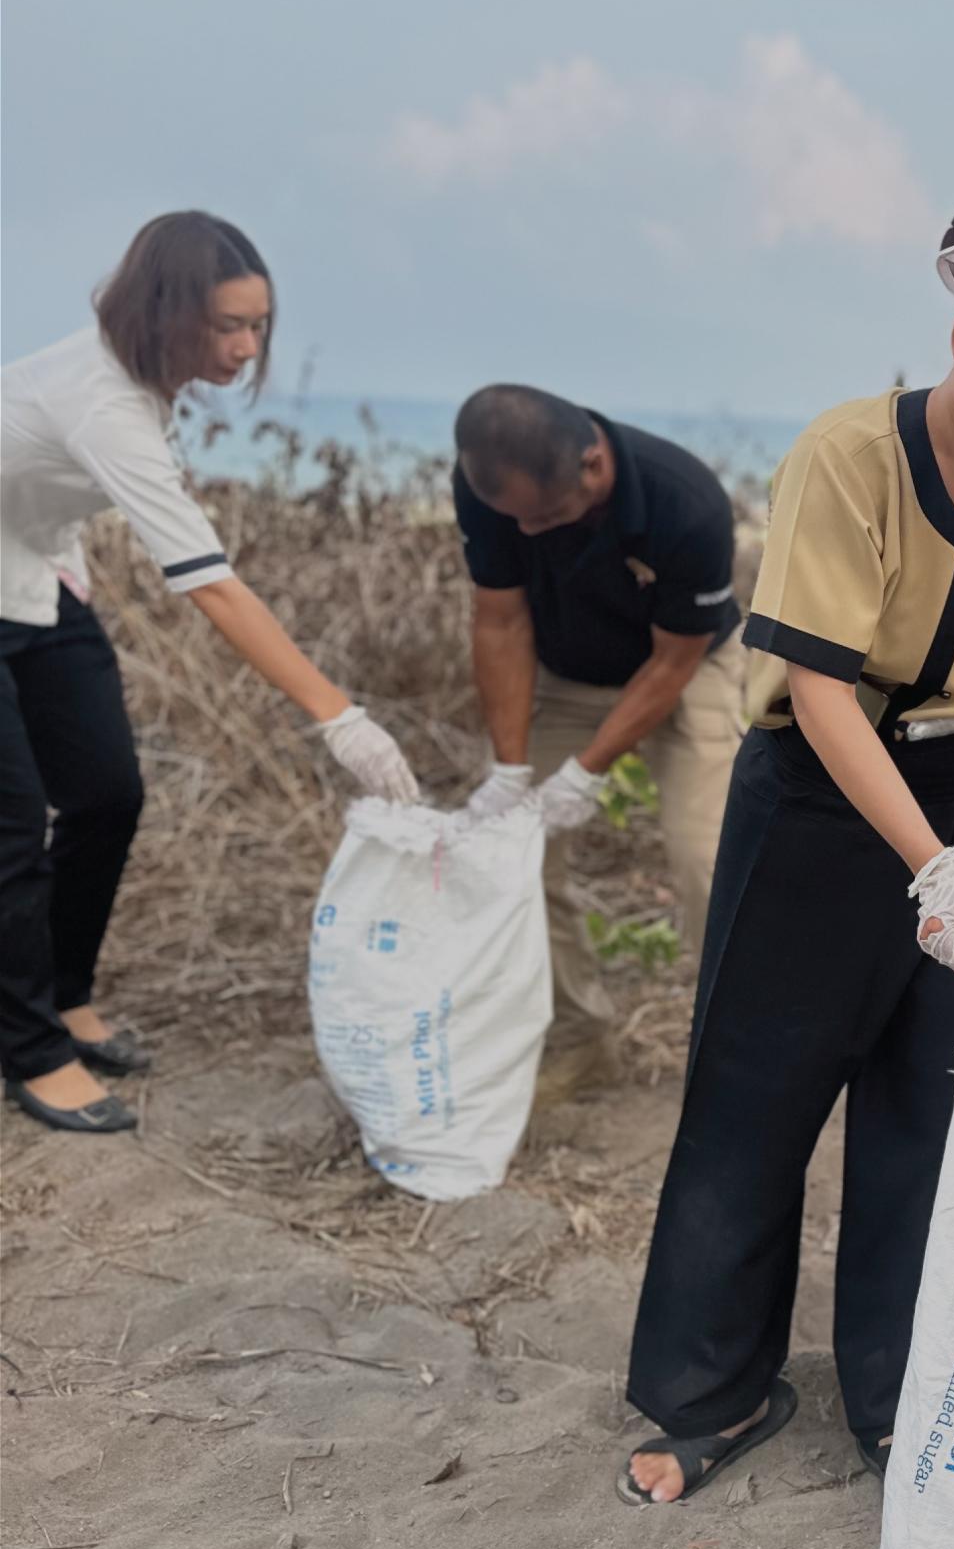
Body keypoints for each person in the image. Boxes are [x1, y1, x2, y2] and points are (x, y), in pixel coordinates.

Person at [618, 194, 954, 1506]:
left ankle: (901, 1400)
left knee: (928, 1111)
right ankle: (709, 1395)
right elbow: (825, 691)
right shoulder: (848, 456)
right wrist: (926, 864)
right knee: (756, 1095)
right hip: (816, 799)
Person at [1, 212, 420, 1135]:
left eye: (257, 325)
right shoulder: (104, 401)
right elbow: (213, 589)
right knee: (13, 827)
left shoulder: (143, 383)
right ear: (163, 313)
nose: (243, 347)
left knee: (108, 793)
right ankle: (28, 1050)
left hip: (31, 574)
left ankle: (65, 993)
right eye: (223, 327)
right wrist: (337, 716)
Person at [451, 385, 748, 1098]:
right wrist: (510, 768)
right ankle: (580, 1038)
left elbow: (674, 661)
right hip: (567, 671)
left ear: (592, 465)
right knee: (515, 854)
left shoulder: (686, 503)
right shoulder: (493, 490)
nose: (527, 534)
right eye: (513, 520)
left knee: (710, 856)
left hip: (689, 666)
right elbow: (498, 622)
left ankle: (743, 1050)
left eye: (546, 517)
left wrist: (587, 773)